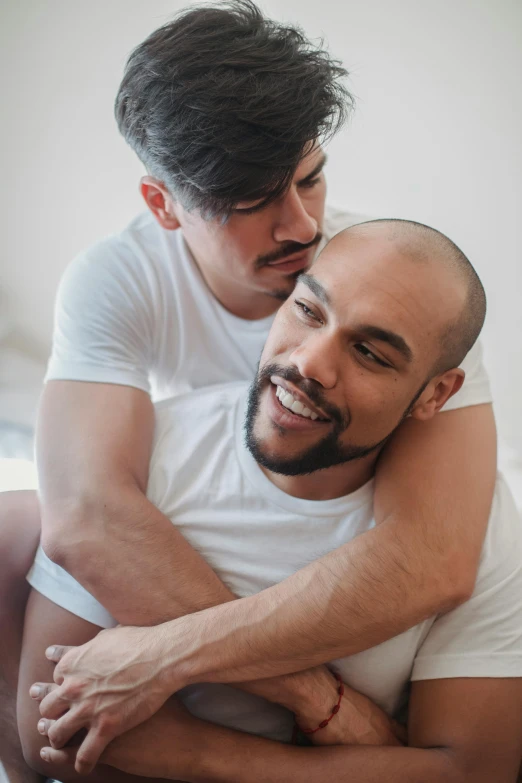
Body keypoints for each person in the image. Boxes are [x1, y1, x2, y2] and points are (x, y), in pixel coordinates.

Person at [0, 2, 497, 780]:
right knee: (11, 527)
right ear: (163, 205)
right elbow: (89, 516)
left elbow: (431, 556)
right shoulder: (116, 279)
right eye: (250, 200)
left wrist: (165, 658)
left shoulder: (397, 290)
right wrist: (312, 697)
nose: (301, 226)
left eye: (311, 178)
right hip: (207, 513)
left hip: (320, 507)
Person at [19, 221, 522, 783]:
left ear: (435, 395)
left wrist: (194, 752)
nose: (310, 363)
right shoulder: (145, 458)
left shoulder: (482, 526)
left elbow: (476, 771)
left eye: (370, 353)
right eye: (309, 312)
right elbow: (49, 737)